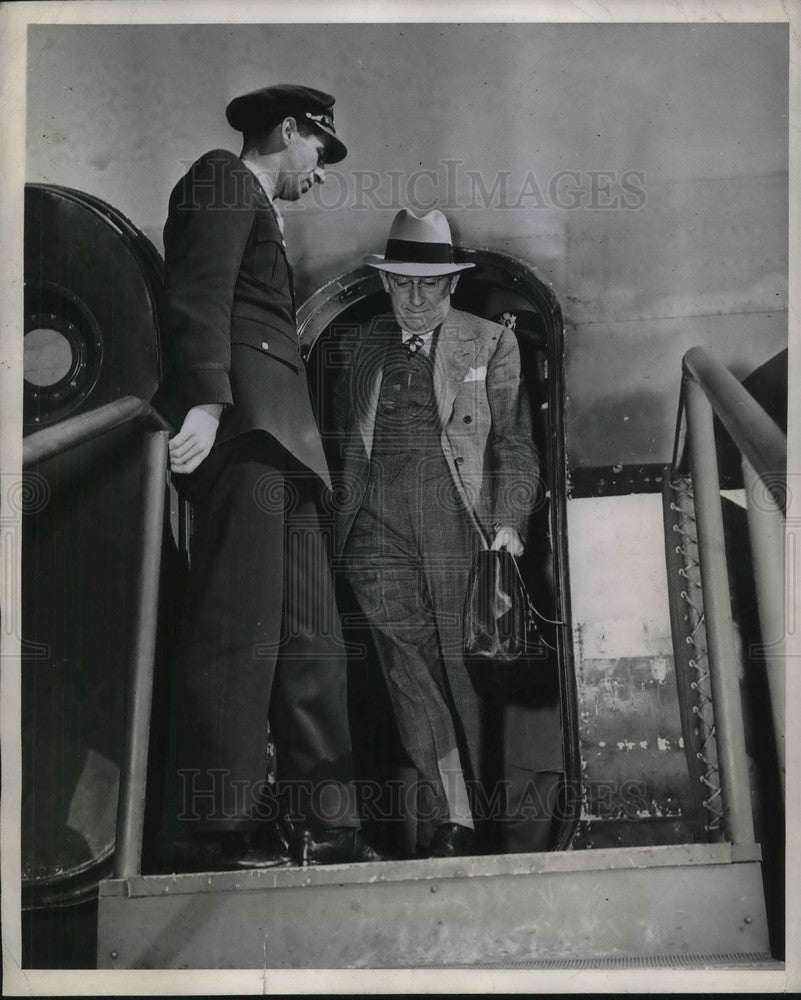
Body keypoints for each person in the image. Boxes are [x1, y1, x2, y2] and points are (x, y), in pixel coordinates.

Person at [152, 84, 382, 871]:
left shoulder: (263, 207)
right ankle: (216, 826)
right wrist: (208, 405)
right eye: (319, 149)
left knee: (311, 641)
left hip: (284, 447)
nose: (320, 170)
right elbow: (198, 295)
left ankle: (330, 823)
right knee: (236, 633)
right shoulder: (220, 176)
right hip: (245, 435)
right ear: (289, 130)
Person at [332, 208, 541, 857]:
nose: (416, 298)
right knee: (406, 672)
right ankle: (456, 818)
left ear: (452, 284)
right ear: (386, 284)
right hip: (376, 530)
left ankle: (470, 821)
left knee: (458, 669)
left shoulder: (489, 341)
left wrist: (507, 526)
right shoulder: (360, 344)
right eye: (401, 284)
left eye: (429, 285)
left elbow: (514, 445)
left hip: (459, 521)